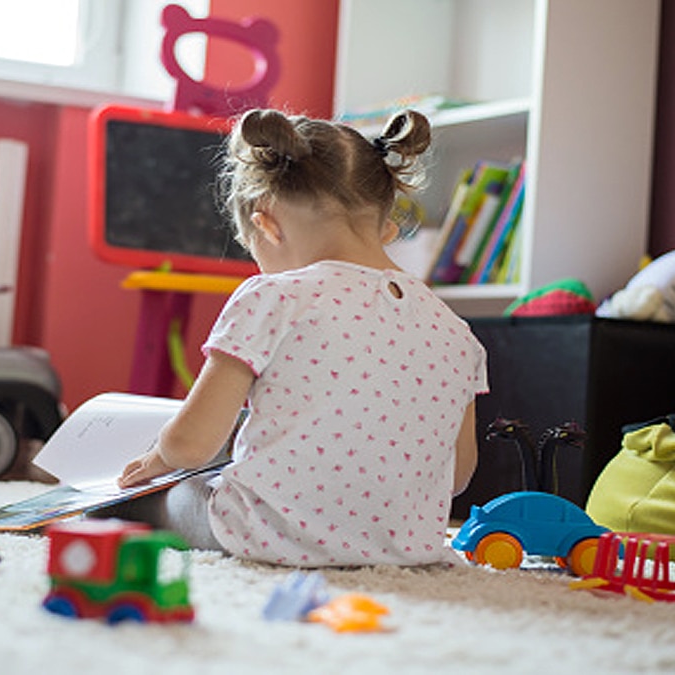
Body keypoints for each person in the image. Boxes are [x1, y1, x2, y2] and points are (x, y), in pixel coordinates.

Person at [109, 108, 487, 567]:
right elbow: (458, 475)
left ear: (265, 223)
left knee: (160, 499)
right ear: (387, 229)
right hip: (402, 548)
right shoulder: (458, 332)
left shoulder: (273, 296)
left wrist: (158, 459)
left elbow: (192, 446)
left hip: (265, 534)